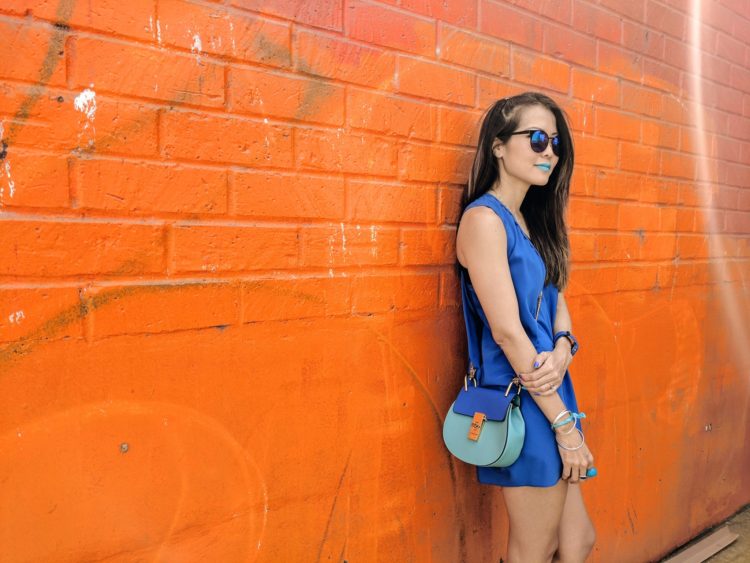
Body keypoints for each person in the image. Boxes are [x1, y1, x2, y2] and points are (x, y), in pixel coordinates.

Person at [455, 92, 596, 562]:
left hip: (551, 386)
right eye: (537, 139)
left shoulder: (531, 222)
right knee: (534, 550)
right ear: (498, 146)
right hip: (525, 399)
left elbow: (556, 301)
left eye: (556, 144)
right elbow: (508, 333)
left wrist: (562, 345)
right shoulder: (484, 221)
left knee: (577, 542)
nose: (549, 152)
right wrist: (564, 426)